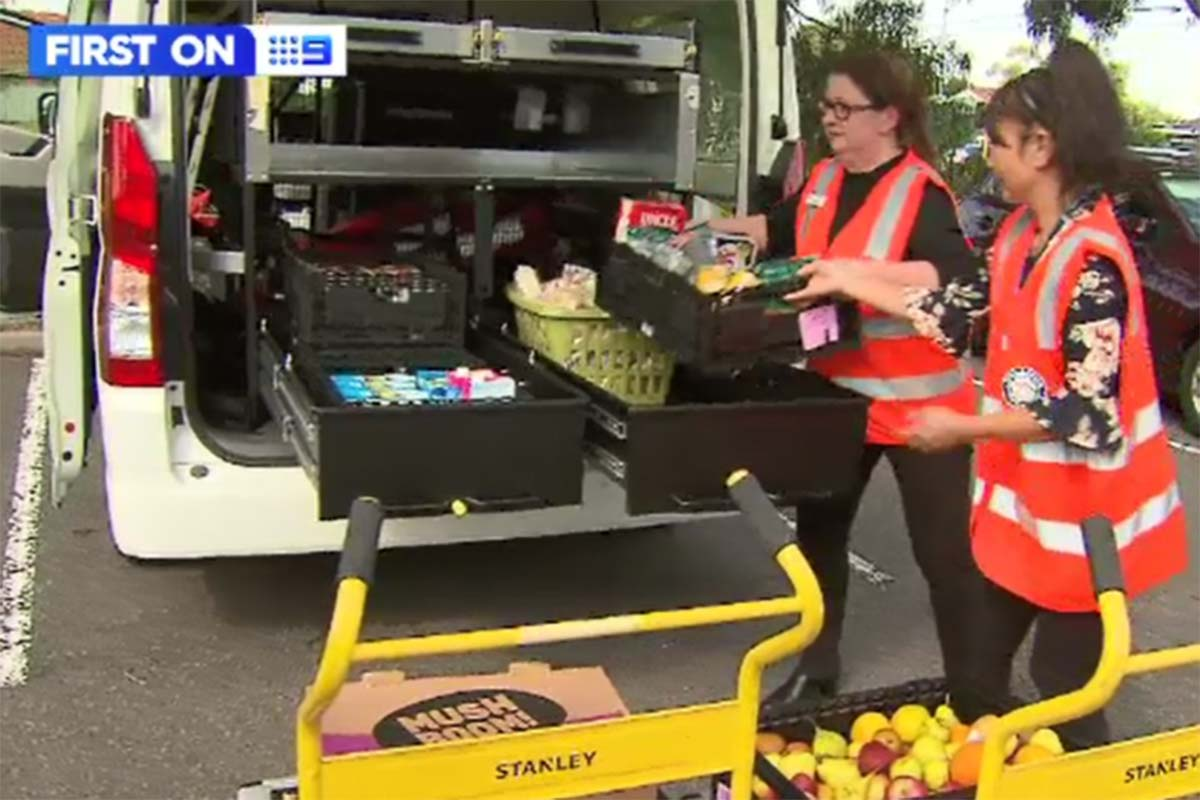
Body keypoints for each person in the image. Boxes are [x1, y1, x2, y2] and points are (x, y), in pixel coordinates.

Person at [788, 41, 1188, 742]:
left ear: (1041, 148)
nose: (987, 157)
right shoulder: (1018, 238)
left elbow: (1086, 416)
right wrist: (848, 278)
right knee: (978, 674)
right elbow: (947, 311)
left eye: (997, 143)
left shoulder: (1090, 264)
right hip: (1028, 517)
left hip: (1087, 528)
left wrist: (957, 430)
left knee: (1067, 690)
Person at [694, 50, 982, 714]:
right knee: (819, 538)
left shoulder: (921, 192)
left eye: (843, 108)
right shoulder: (825, 177)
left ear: (889, 117)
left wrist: (859, 277)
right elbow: (782, 230)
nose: (829, 119)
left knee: (944, 558)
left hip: (919, 407)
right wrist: (706, 231)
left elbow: (951, 277)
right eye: (825, 106)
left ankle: (975, 694)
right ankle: (816, 673)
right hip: (838, 395)